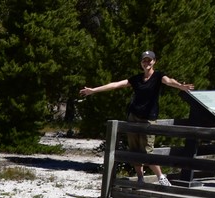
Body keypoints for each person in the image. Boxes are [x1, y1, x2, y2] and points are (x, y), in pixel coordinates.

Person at [80, 50, 195, 185]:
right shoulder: (136, 79)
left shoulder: (159, 76)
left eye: (149, 60)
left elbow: (169, 81)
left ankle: (161, 177)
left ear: (154, 62)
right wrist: (94, 90)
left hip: (148, 119)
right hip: (134, 117)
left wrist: (181, 87)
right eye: (144, 60)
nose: (146, 62)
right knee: (134, 150)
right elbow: (116, 84)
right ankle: (140, 178)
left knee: (147, 151)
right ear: (141, 63)